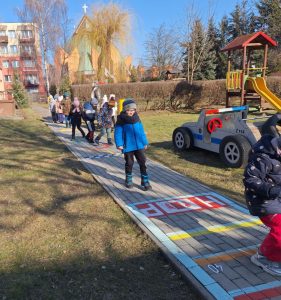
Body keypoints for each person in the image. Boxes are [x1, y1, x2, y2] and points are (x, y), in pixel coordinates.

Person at [244, 134, 281, 276]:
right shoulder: (262, 158)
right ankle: (265, 258)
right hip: (262, 201)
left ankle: (266, 251)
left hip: (277, 199)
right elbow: (250, 179)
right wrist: (271, 190)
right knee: (280, 230)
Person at [114, 99, 152, 191]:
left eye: (132, 110)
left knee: (142, 161)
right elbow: (118, 132)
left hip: (139, 145)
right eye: (128, 110)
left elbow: (141, 132)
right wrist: (119, 144)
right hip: (128, 145)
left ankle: (145, 180)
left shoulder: (137, 119)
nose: (131, 112)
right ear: (124, 110)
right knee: (129, 163)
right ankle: (129, 179)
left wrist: (145, 142)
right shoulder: (121, 120)